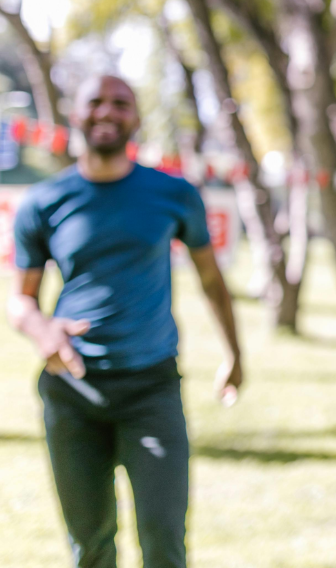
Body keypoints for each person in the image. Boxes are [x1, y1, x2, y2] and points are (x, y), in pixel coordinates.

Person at [6, 75, 243, 568]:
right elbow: (20, 301)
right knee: (90, 550)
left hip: (151, 389)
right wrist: (43, 329)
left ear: (135, 118)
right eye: (95, 101)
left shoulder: (173, 193)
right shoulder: (44, 203)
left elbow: (211, 281)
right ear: (76, 113)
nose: (107, 112)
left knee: (163, 545)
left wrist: (234, 356)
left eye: (121, 104)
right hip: (72, 394)